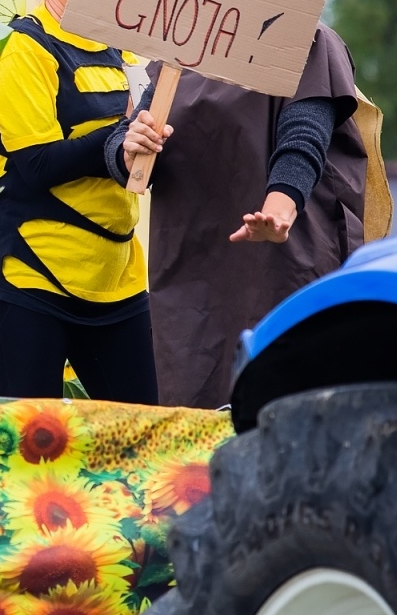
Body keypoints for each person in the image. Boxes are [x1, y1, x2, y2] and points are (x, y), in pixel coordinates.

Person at [124, 30, 371, 408]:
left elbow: (304, 136)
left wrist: (281, 204)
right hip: (192, 276)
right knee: (198, 421)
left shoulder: (309, 40)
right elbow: (129, 143)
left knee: (288, 405)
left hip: (285, 258)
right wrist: (127, 149)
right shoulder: (175, 57)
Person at [0, 0, 159, 404]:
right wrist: (118, 143)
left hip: (116, 277)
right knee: (34, 448)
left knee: (136, 444)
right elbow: (35, 164)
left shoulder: (132, 54)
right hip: (30, 275)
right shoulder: (18, 46)